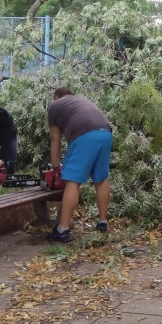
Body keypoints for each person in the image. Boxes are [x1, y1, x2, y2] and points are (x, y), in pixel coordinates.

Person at [46, 86, 113, 242]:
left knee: (72, 182)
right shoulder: (81, 101)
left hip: (84, 135)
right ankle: (103, 223)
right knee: (100, 179)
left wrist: (56, 167)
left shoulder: (55, 106)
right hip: (105, 133)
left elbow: (55, 139)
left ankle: (62, 230)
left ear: (56, 97)